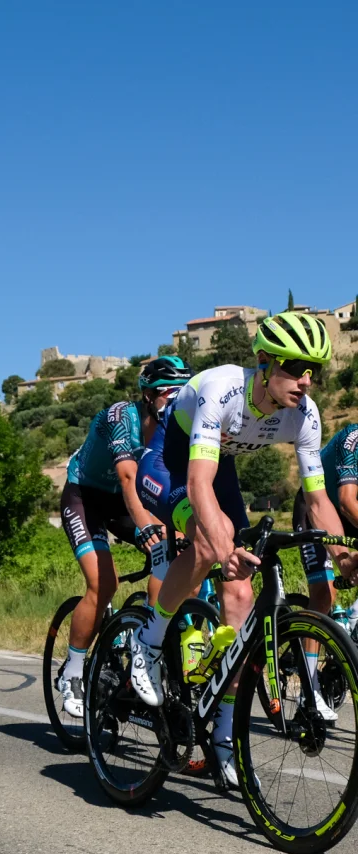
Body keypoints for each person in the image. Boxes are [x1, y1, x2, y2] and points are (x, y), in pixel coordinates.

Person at [132, 312, 358, 785]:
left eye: (313, 369)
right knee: (208, 544)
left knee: (240, 596)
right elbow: (197, 484)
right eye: (295, 368)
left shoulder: (306, 414)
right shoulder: (222, 389)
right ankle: (149, 641)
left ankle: (222, 735)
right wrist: (221, 543)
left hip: (222, 467)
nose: (306, 380)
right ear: (263, 362)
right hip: (170, 466)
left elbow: (317, 499)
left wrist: (343, 555)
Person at [57, 356, 193, 718]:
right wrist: (148, 526)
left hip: (125, 502)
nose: (175, 400)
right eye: (168, 392)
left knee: (179, 557)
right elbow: (129, 480)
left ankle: (144, 638)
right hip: (85, 496)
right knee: (103, 585)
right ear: (148, 395)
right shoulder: (123, 417)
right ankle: (72, 673)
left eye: (183, 393)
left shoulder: (178, 428)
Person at [293, 422, 358, 632]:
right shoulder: (353, 438)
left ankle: (353, 619)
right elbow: (347, 502)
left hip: (349, 515)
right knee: (324, 595)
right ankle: (307, 665)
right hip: (314, 507)